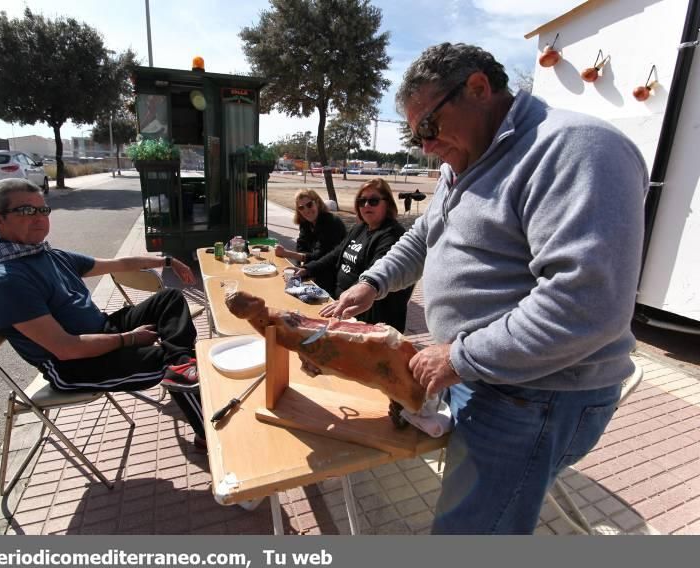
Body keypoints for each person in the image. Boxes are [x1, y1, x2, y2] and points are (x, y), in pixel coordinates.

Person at [323, 43, 648, 534]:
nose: (425, 146)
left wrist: (455, 358)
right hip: (484, 375)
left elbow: (585, 303)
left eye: (428, 127)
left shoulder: (575, 148)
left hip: (535, 397)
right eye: (416, 138)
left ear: (477, 88)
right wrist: (372, 283)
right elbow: (424, 236)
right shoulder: (461, 164)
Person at [0, 178, 206, 448]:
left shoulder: (48, 255)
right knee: (161, 359)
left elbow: (118, 263)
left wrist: (166, 260)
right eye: (27, 211)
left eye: (43, 210)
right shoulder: (5, 279)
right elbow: (66, 349)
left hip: (102, 330)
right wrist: (129, 339)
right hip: (73, 366)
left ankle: (181, 366)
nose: (39, 218)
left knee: (168, 299)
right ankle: (210, 435)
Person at [300, 178, 413, 333]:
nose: (366, 205)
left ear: (387, 203)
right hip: (339, 302)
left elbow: (372, 278)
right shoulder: (360, 228)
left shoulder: (392, 236)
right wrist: (308, 269)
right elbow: (336, 253)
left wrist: (342, 303)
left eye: (373, 201)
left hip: (367, 317)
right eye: (362, 201)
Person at [274, 189, 347, 294]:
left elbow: (321, 255)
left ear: (317, 202)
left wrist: (287, 254)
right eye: (301, 207)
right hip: (314, 268)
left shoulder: (331, 222)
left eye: (309, 205)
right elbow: (301, 247)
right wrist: (300, 267)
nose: (306, 210)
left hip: (333, 274)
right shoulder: (305, 223)